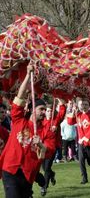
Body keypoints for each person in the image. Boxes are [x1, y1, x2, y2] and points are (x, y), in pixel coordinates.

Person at [0, 64, 56, 198]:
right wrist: (27, 75)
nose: (43, 112)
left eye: (44, 110)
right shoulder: (18, 120)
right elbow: (20, 95)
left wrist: (41, 145)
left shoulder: (47, 131)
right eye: (41, 109)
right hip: (10, 168)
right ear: (32, 109)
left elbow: (48, 152)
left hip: (28, 172)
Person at [67, 98, 90, 184]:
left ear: (89, 106)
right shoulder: (78, 115)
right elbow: (70, 122)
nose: (84, 106)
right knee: (81, 160)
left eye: (86, 104)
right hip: (81, 143)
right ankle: (84, 178)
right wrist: (73, 112)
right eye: (82, 104)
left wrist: (85, 138)